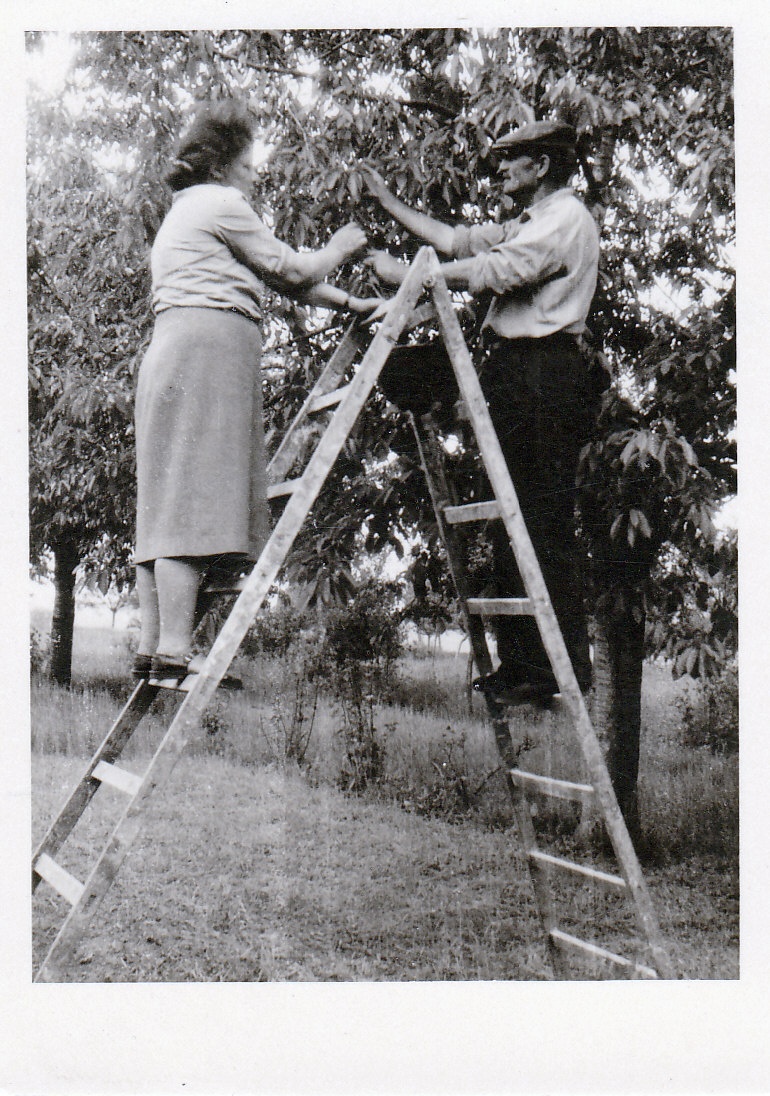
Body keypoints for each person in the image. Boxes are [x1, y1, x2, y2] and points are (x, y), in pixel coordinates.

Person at [134, 100, 381, 684]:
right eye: (248, 164)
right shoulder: (223, 203)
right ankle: (175, 650)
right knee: (193, 501)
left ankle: (153, 645)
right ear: (222, 164)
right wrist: (342, 246)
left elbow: (282, 280)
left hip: (175, 348)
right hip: (208, 350)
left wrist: (349, 302)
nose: (254, 174)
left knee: (167, 500)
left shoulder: (185, 211)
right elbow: (292, 270)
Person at [363, 120, 602, 703]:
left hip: (547, 370)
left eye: (510, 161)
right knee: (510, 518)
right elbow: (458, 242)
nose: (499, 172)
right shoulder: (529, 222)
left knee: (540, 518)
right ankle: (522, 664)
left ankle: (557, 669)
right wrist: (386, 201)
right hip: (519, 369)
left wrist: (408, 277)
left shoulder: (566, 220)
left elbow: (495, 271)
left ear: (541, 166)